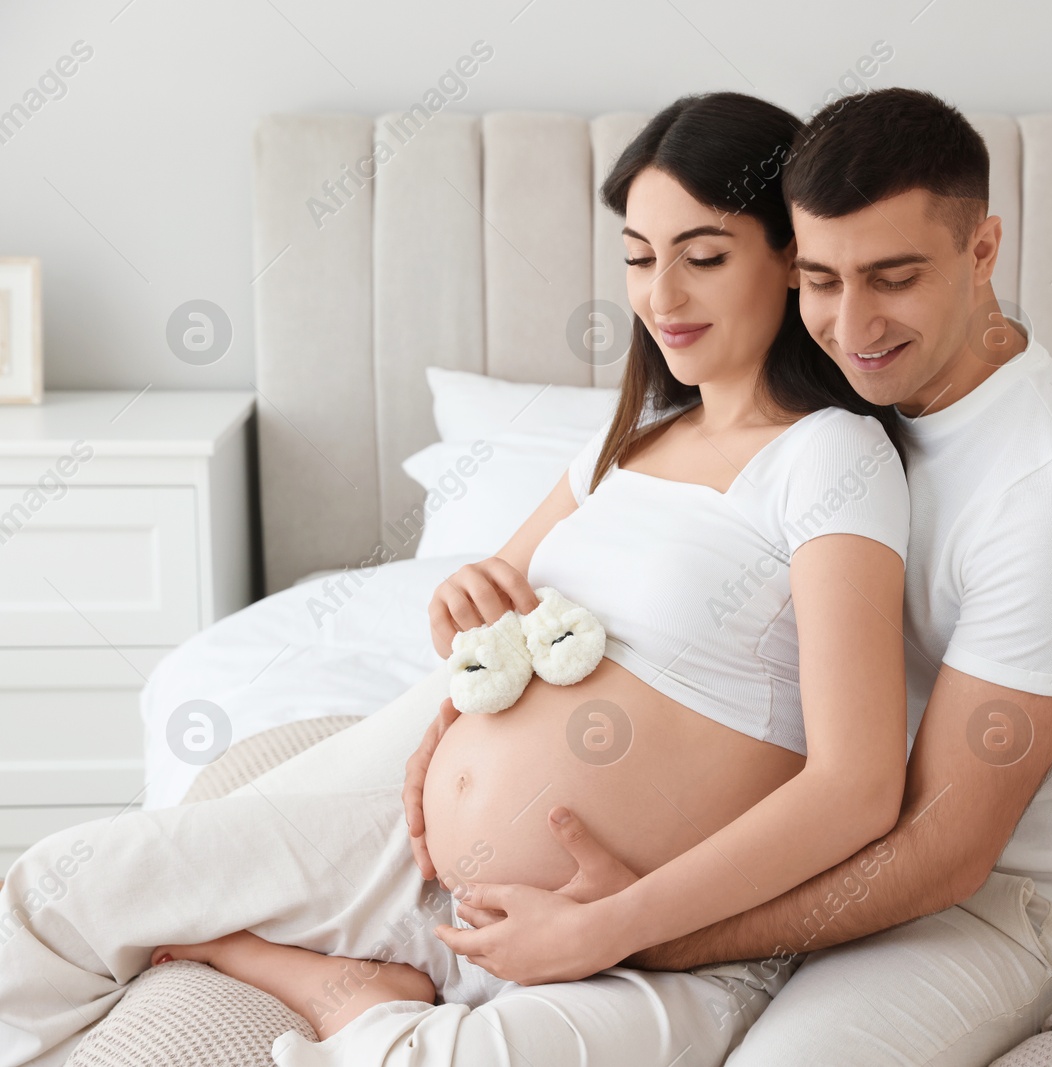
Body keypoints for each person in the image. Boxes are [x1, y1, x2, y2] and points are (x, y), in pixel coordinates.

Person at [0, 93, 912, 1067]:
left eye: (703, 255)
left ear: (791, 258)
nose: (662, 297)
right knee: (57, 884)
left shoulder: (827, 458)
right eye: (640, 258)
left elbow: (856, 787)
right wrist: (462, 602)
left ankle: (327, 987)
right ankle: (353, 980)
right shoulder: (629, 439)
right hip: (405, 849)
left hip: (629, 933)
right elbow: (486, 591)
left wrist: (612, 927)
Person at [404, 87, 1052, 1066]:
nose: (851, 324)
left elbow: (946, 848)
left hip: (993, 898)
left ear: (983, 252)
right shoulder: (842, 420)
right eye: (819, 278)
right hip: (815, 840)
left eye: (893, 277)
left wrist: (637, 930)